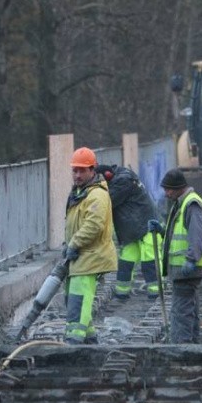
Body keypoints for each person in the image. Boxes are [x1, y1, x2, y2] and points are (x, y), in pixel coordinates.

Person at [148, 168, 202, 344]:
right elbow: (179, 235)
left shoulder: (191, 205)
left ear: (178, 187)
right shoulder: (181, 203)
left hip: (188, 269)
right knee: (189, 307)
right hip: (182, 269)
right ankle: (191, 343)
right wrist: (162, 231)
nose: (166, 193)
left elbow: (197, 235)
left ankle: (181, 346)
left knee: (181, 310)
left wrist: (191, 259)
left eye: (168, 189)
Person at [63, 147, 117, 344]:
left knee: (79, 299)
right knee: (74, 298)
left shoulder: (97, 195)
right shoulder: (81, 193)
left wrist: (74, 243)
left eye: (81, 171)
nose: (77, 175)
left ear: (92, 170)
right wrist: (68, 244)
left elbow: (93, 226)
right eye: (74, 170)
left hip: (91, 256)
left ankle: (73, 342)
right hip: (81, 255)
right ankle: (89, 339)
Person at [95, 164, 160, 300]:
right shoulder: (121, 175)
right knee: (126, 261)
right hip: (131, 228)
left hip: (144, 225)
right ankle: (122, 292)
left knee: (149, 260)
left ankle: (155, 293)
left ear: (106, 176)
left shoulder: (122, 182)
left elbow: (106, 203)